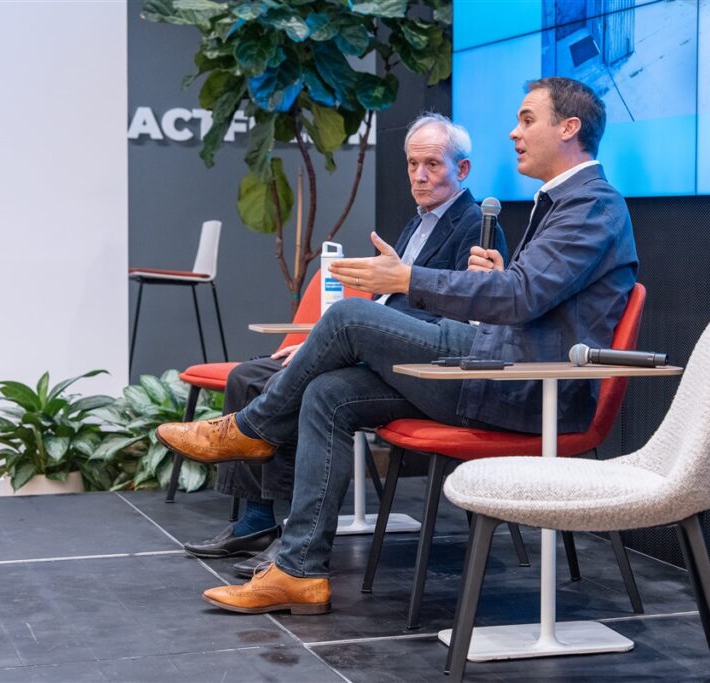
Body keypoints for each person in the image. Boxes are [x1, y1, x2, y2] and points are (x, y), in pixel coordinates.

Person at [157, 76, 638, 615]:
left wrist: (408, 278)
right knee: (328, 394)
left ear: (569, 128)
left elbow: (523, 297)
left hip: (526, 387)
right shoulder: (562, 203)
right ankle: (297, 572)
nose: (514, 132)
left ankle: (251, 429)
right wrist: (496, 279)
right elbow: (532, 297)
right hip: (496, 365)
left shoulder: (591, 205)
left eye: (527, 119)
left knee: (349, 317)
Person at [180, 113, 508, 577]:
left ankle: (284, 523)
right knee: (249, 376)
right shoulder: (417, 224)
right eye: (412, 164)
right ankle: (255, 520)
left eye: (432, 164)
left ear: (463, 169)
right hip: (373, 347)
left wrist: (351, 340)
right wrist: (319, 344)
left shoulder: (475, 226)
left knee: (313, 388)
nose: (419, 175)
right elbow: (387, 298)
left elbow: (458, 321)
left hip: (417, 363)